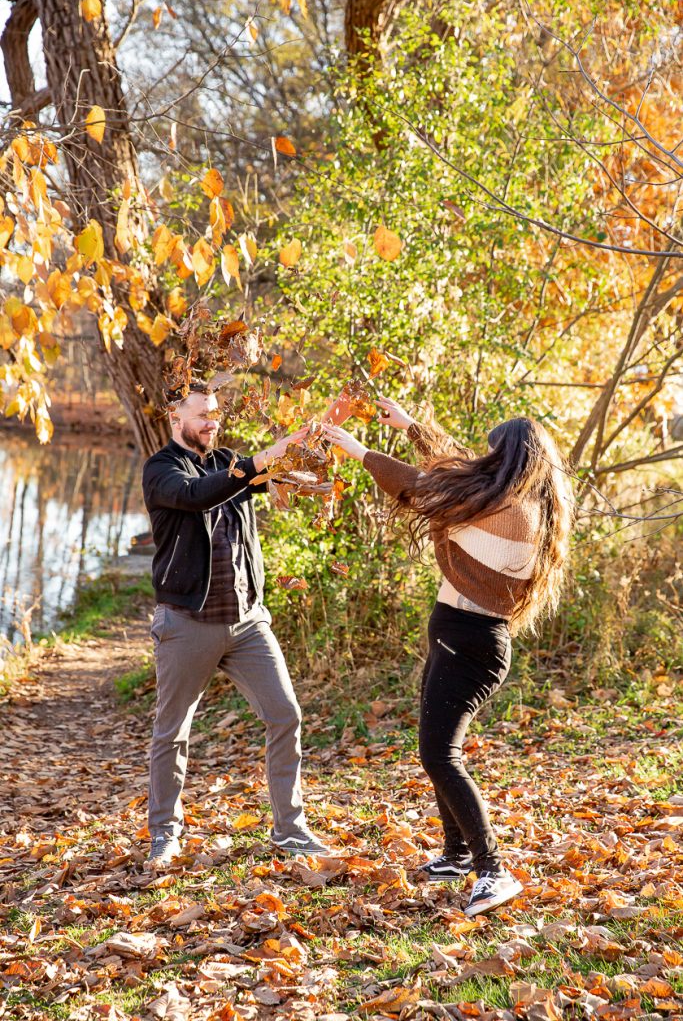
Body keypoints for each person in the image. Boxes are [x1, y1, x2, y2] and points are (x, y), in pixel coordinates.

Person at [322, 397, 573, 916]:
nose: (481, 460)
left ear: (508, 461)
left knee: (441, 756)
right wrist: (412, 426)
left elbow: (429, 488)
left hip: (472, 645)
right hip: (457, 638)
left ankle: (493, 870)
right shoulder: (501, 497)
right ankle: (458, 855)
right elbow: (455, 469)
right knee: (436, 751)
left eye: (491, 454)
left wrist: (362, 452)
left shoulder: (510, 512)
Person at [142, 383, 329, 867]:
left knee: (285, 714)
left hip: (248, 623)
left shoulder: (227, 458)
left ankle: (290, 829)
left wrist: (315, 436)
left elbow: (280, 472)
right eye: (202, 414)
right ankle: (165, 833)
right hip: (187, 622)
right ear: (174, 416)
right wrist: (254, 465)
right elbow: (200, 496)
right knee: (172, 732)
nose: (212, 422)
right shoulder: (161, 470)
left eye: (216, 414)